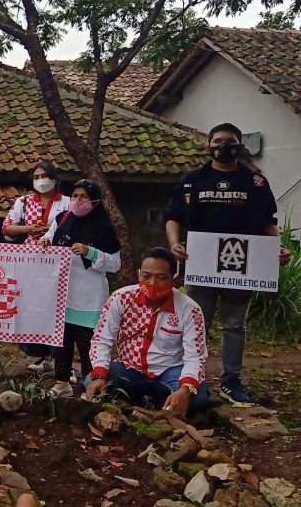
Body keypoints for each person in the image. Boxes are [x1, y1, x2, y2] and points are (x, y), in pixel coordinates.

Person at [165, 122, 292, 404]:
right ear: (208, 145)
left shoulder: (255, 182)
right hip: (200, 265)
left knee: (235, 325)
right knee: (197, 323)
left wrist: (276, 248)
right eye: (217, 140)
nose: (223, 145)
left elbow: (267, 222)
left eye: (230, 140)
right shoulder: (192, 180)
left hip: (242, 268)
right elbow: (173, 216)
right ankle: (189, 378)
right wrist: (175, 243)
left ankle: (231, 381)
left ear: (239, 145)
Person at [85, 247, 209, 416]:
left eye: (161, 278)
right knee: (90, 382)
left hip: (171, 371)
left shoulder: (190, 309)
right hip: (130, 368)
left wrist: (186, 388)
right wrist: (99, 374)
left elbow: (195, 355)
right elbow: (102, 339)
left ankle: (156, 398)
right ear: (138, 274)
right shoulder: (120, 298)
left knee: (196, 400)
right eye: (146, 276)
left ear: (174, 279)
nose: (152, 283)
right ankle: (146, 401)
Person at [40, 179, 122, 398]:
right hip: (61, 294)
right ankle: (61, 383)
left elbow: (115, 263)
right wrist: (45, 241)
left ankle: (90, 384)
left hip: (89, 297)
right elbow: (49, 236)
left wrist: (91, 252)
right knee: (62, 342)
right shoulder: (62, 218)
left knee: (88, 344)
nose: (77, 200)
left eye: (83, 196)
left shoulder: (103, 226)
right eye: (74, 196)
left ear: (94, 200)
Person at [2, 161, 70, 371]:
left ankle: (62, 360)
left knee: (57, 310)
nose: (41, 181)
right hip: (30, 263)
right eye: (36, 177)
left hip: (58, 265)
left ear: (55, 178)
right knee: (34, 309)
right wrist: (29, 229)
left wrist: (51, 232)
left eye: (44, 176)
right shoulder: (23, 202)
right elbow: (6, 228)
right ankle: (42, 355)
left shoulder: (67, 202)